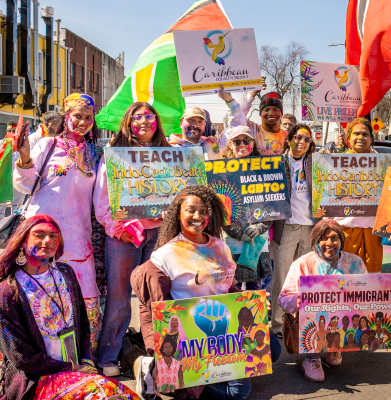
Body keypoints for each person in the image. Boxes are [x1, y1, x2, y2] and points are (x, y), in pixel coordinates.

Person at [130, 185, 255, 400]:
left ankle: (214, 373)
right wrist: (157, 352)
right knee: (238, 393)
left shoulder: (220, 246)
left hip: (222, 328)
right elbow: (156, 312)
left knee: (271, 348)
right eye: (190, 210)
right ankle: (151, 371)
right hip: (190, 338)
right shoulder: (165, 255)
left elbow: (227, 286)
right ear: (178, 214)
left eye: (204, 211)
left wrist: (252, 304)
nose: (197, 216)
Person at [0, 215, 139, 399]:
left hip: (76, 370)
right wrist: (72, 368)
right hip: (37, 380)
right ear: (22, 242)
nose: (47, 240)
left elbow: (83, 323)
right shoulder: (8, 291)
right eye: (39, 235)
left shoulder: (65, 273)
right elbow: (22, 358)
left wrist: (86, 361)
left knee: (122, 395)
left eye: (53, 235)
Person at [13, 93, 104, 352]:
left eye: (88, 117)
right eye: (77, 116)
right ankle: (40, 355)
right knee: (37, 295)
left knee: (87, 301)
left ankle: (85, 357)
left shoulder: (94, 153)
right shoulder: (47, 145)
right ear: (67, 116)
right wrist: (25, 158)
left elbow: (102, 195)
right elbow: (24, 184)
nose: (83, 122)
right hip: (42, 235)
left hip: (78, 238)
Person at [93, 101, 172, 377]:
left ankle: (162, 355)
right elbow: (102, 201)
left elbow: (182, 192)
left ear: (156, 122)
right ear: (128, 123)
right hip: (125, 235)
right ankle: (108, 357)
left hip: (160, 233)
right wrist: (119, 229)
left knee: (158, 296)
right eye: (136, 118)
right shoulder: (114, 156)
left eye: (149, 116)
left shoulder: (170, 154)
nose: (143, 122)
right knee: (118, 297)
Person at [278, 219, 368, 382]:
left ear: (341, 239)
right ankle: (312, 358)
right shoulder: (303, 263)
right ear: (315, 241)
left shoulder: (355, 262)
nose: (329, 243)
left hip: (342, 319)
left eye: (334, 237)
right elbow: (283, 299)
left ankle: (334, 348)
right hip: (312, 323)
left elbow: (369, 292)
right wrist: (298, 301)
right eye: (323, 238)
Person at [316, 118, 385, 273]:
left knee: (372, 276)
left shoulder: (382, 163)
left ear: (371, 139)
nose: (361, 137)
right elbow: (325, 195)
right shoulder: (335, 162)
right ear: (348, 139)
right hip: (345, 228)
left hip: (372, 230)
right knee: (346, 277)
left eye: (365, 134)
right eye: (356, 134)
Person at [270, 124, 317, 333]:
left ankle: (302, 321)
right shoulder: (276, 163)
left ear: (310, 144)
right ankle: (279, 324)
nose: (301, 142)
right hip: (286, 227)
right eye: (298, 137)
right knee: (281, 276)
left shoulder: (316, 163)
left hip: (310, 228)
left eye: (306, 139)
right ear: (289, 139)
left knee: (306, 278)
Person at [218, 126, 272, 290]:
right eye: (236, 141)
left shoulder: (264, 169)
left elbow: (273, 204)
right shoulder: (220, 171)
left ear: (252, 143)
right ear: (229, 144)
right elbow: (219, 208)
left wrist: (260, 227)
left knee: (254, 288)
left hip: (257, 240)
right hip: (233, 241)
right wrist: (238, 233)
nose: (241, 144)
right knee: (232, 288)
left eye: (246, 141)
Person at [219, 86, 287, 156]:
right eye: (266, 110)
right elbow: (238, 113)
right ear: (260, 114)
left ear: (281, 114)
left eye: (275, 109)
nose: (271, 113)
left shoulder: (287, 138)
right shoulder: (251, 130)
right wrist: (254, 92)